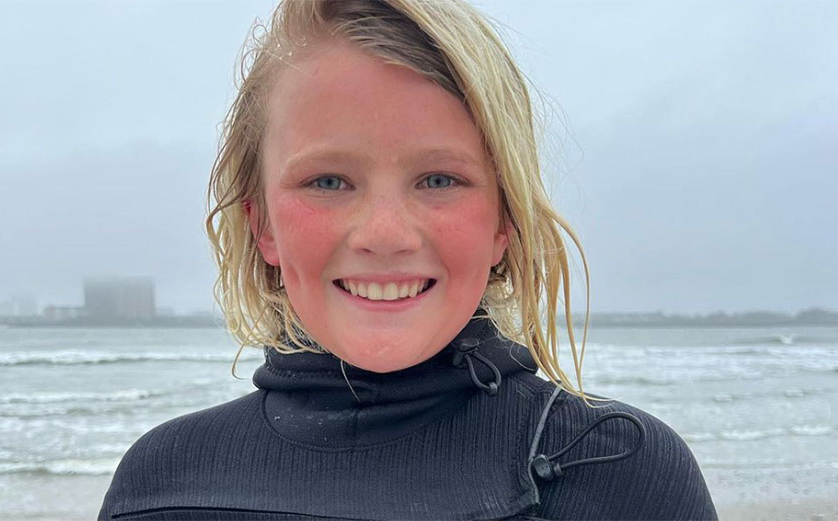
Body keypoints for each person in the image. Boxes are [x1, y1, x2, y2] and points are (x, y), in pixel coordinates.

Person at [99, 1, 717, 519]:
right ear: (262, 225)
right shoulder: (158, 487)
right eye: (328, 181)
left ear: (504, 221)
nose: (385, 235)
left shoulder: (622, 474)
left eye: (439, 180)